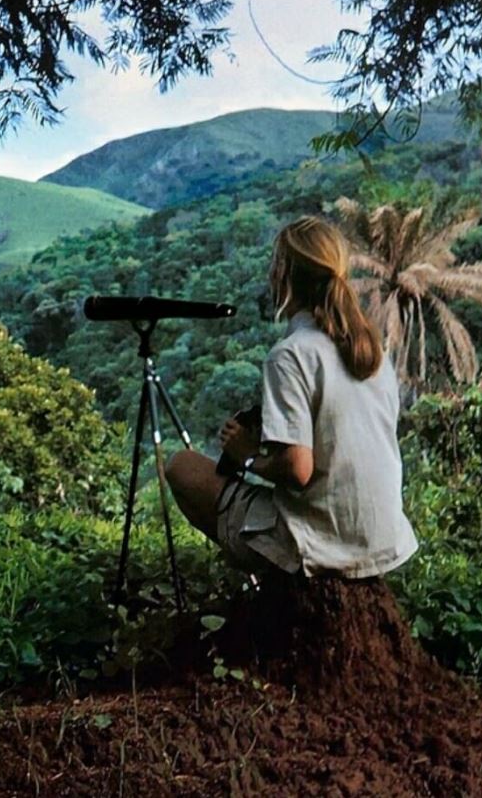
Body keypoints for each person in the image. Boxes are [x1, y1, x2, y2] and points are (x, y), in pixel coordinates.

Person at [165, 215, 417, 578]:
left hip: (322, 542)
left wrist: (247, 457)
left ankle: (276, 579)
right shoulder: (371, 351)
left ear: (282, 276)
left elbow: (299, 470)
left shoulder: (291, 354)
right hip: (381, 540)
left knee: (182, 467)